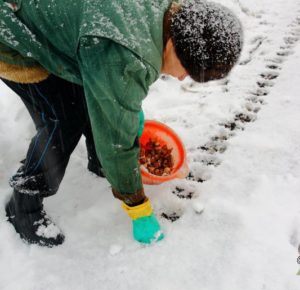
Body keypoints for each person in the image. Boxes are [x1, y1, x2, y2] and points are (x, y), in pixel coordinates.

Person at [0, 0, 243, 247]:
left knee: (87, 98)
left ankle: (98, 161)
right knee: (63, 119)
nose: (181, 78)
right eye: (186, 70)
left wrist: (123, 113)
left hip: (60, 22)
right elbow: (117, 143)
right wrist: (137, 205)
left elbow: (105, 76)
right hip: (10, 30)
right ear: (172, 44)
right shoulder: (124, 57)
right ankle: (23, 206)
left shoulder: (169, 14)